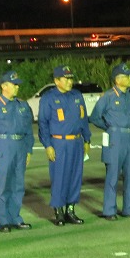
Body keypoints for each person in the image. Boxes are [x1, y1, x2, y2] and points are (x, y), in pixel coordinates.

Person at [89, 62, 130, 220]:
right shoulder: (108, 96)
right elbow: (95, 117)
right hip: (114, 138)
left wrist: (129, 124)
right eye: (128, 76)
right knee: (112, 176)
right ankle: (109, 211)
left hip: (129, 137)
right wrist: (109, 126)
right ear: (118, 79)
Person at [38, 65, 91, 226]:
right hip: (59, 142)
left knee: (75, 177)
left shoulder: (76, 95)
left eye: (71, 78)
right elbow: (43, 124)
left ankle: (70, 210)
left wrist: (87, 140)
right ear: (56, 81)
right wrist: (47, 145)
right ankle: (59, 211)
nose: (70, 81)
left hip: (76, 142)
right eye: (66, 78)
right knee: (59, 177)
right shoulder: (48, 98)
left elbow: (83, 120)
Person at [0, 70, 34, 233]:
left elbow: (28, 131)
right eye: (14, 84)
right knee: (4, 186)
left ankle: (15, 218)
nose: (17, 87)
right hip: (4, 146)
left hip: (20, 147)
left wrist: (29, 150)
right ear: (4, 86)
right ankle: (4, 220)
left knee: (18, 185)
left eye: (18, 84)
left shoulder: (23, 105)